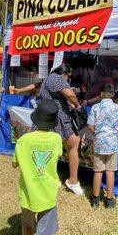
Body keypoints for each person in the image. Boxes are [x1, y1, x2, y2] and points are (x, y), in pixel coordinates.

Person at [12, 100, 62, 235]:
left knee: (27, 226)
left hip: (28, 191)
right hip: (48, 191)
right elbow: (58, 155)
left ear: (36, 118)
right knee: (45, 230)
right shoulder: (57, 139)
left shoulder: (24, 140)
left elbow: (14, 163)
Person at [39, 64, 84, 195]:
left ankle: (51, 177)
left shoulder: (48, 78)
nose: (68, 80)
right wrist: (77, 105)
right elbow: (69, 94)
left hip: (48, 114)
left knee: (48, 147)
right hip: (56, 116)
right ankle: (72, 181)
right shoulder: (56, 78)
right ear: (65, 73)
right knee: (74, 143)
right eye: (69, 76)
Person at [87, 83, 118, 208]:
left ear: (101, 94)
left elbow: (90, 126)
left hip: (99, 141)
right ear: (113, 95)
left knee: (98, 171)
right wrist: (115, 135)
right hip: (112, 143)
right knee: (110, 171)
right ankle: (109, 199)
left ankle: (95, 199)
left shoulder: (95, 108)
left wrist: (97, 134)